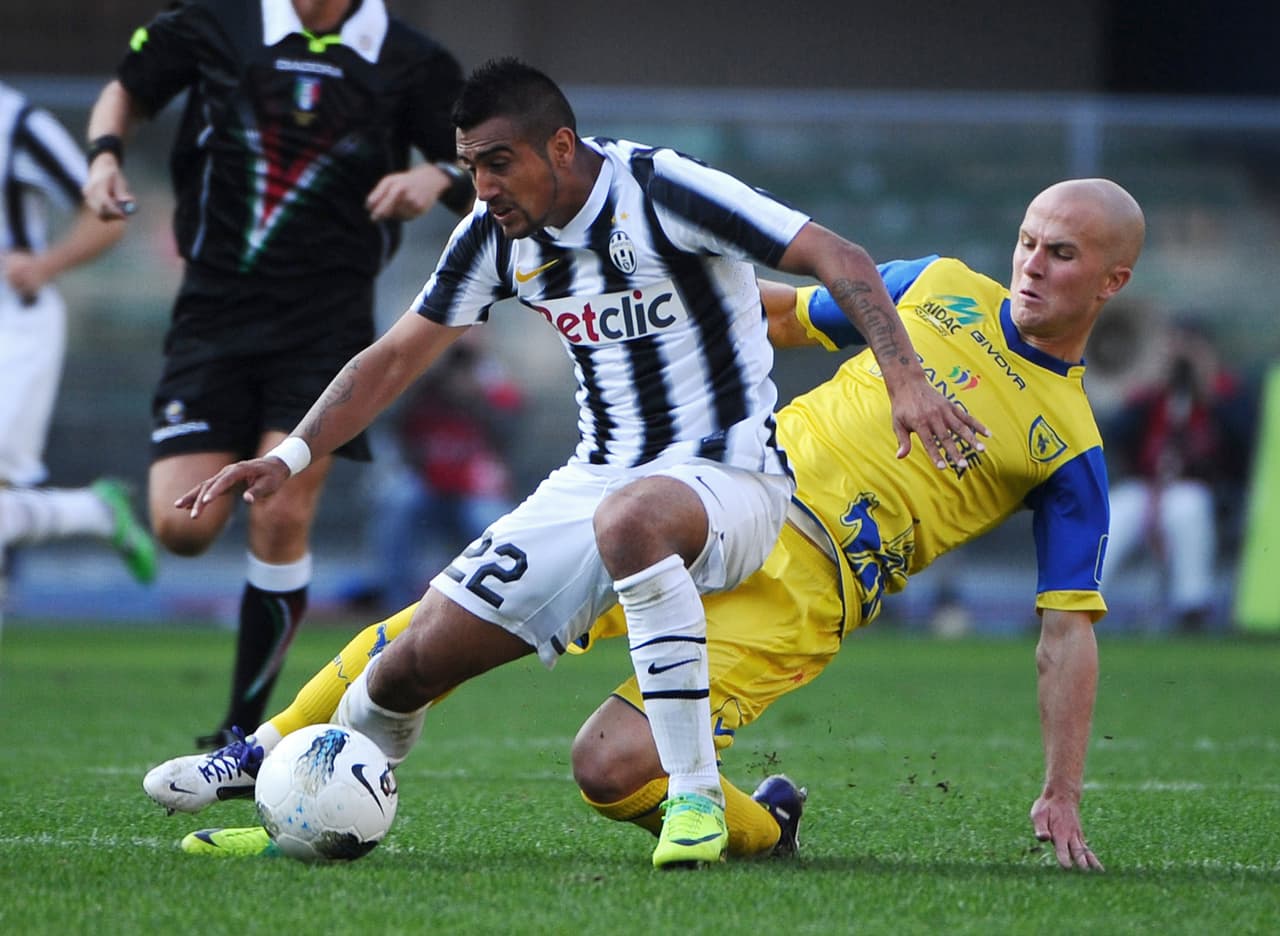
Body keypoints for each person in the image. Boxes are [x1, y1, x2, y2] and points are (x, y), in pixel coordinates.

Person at [152, 175, 1134, 873]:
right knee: (454, 613)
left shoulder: (1068, 442)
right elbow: (785, 312)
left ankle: (764, 830)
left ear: (1109, 281)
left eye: (1060, 252)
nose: (1031, 263)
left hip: (804, 593)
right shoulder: (937, 290)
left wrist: (1061, 789)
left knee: (608, 769)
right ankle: (261, 750)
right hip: (722, 492)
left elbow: (1064, 631)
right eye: (1026, 239)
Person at [80, 0, 473, 748]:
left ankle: (242, 728)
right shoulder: (214, 24)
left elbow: (483, 156)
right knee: (182, 526)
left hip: (326, 326)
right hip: (212, 314)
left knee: (282, 510)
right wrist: (104, 154)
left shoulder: (410, 59)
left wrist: (437, 179)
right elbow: (128, 85)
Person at [0, 79, 155, 600]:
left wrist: (46, 265)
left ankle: (94, 512)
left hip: (14, 331)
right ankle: (92, 510)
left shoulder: (15, 122)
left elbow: (110, 211)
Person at [343, 330, 524, 613]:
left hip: (471, 491)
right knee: (399, 499)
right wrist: (430, 370)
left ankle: (502, 607)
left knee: (493, 521)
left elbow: (512, 427)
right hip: (426, 486)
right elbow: (386, 416)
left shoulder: (488, 382)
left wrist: (479, 391)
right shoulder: (422, 384)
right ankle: (396, 604)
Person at [1101, 319, 1254, 632]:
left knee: (1187, 507)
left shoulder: (1227, 390)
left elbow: (1244, 442)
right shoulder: (1152, 391)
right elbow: (1116, 436)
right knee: (1115, 510)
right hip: (1146, 485)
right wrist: (1150, 385)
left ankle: (1191, 606)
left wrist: (1207, 386)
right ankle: (1077, 599)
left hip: (1200, 488)